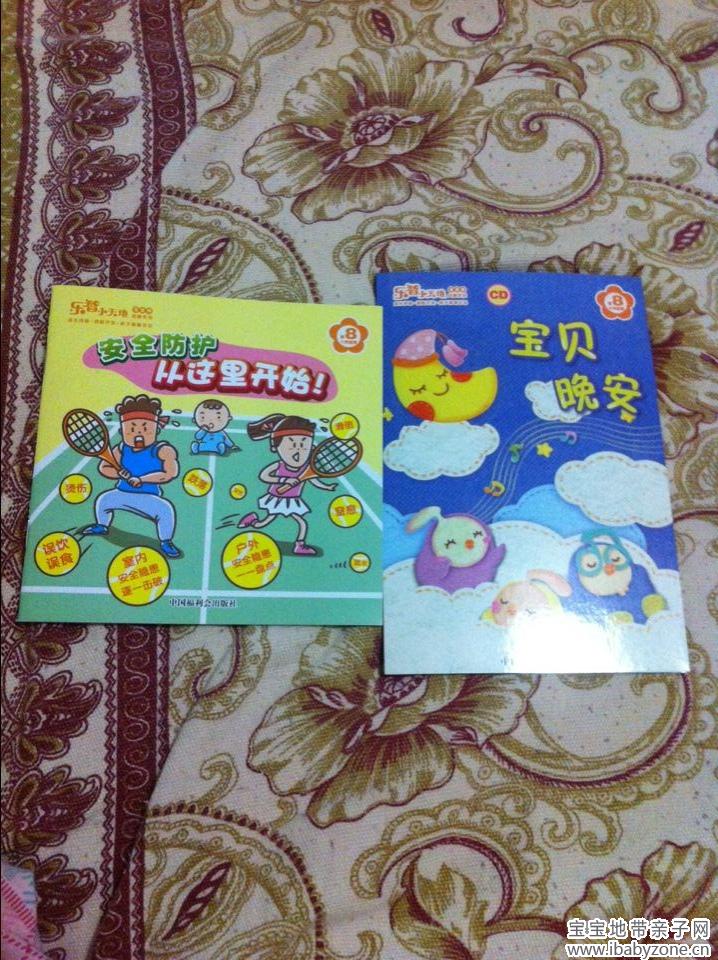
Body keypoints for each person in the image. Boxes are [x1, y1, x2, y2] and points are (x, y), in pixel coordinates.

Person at [83, 394, 181, 558]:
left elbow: (170, 473)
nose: (138, 434)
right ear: (122, 430)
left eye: (145, 429)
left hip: (148, 497)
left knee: (166, 510)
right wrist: (118, 473)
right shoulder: (122, 448)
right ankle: (102, 525)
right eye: (132, 429)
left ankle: (166, 541)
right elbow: (104, 467)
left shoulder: (163, 450)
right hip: (122, 493)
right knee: (103, 500)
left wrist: (141, 479)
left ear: (156, 429)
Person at [239, 414, 335, 556]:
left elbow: (312, 479)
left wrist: (326, 487)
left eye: (304, 445)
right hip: (276, 498)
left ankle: (299, 546)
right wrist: (284, 480)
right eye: (292, 445)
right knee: (264, 523)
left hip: (293, 500)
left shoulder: (306, 468)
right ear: (276, 447)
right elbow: (264, 476)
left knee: (301, 522)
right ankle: (252, 520)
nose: (298, 450)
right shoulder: (279, 465)